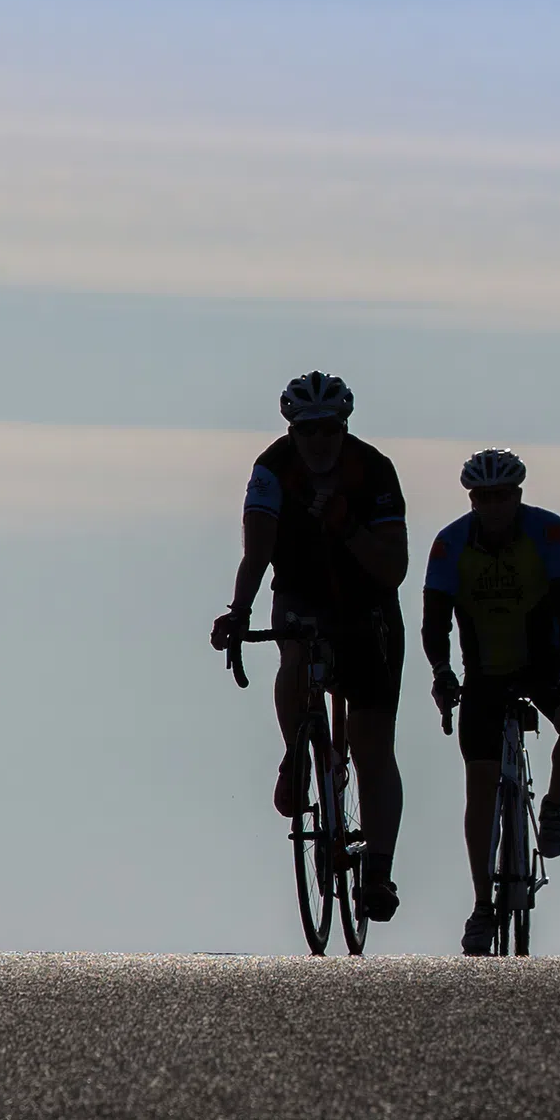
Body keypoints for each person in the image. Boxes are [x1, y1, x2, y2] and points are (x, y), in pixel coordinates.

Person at [210, 372, 410, 922]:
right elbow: (257, 553)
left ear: (343, 426)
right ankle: (297, 752)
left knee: (372, 749)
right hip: (301, 593)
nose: (319, 441)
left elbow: (393, 569)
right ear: (292, 431)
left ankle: (379, 874)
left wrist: (347, 528)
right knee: (294, 655)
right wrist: (240, 611)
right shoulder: (272, 469)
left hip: (367, 605)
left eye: (328, 429)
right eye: (307, 431)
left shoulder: (374, 471)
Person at [422, 448, 560, 956]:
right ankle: (481, 906)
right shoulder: (450, 544)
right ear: (472, 499)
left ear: (518, 496)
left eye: (501, 497)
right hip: (484, 675)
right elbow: (434, 621)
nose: (492, 506)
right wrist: (440, 672)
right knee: (478, 786)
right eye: (482, 498)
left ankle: (554, 805)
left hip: (544, 664)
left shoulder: (550, 534)